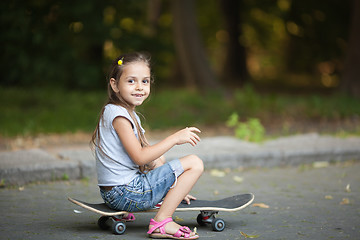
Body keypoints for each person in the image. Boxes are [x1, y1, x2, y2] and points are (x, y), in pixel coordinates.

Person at [91, 52, 203, 239]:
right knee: (195, 162)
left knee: (159, 158)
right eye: (131, 81)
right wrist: (175, 138)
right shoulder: (120, 117)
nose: (139, 87)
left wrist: (174, 188)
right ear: (114, 84)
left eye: (145, 81)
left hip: (113, 193)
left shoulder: (117, 111)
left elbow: (151, 160)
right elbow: (140, 157)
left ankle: (165, 199)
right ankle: (162, 221)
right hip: (126, 193)